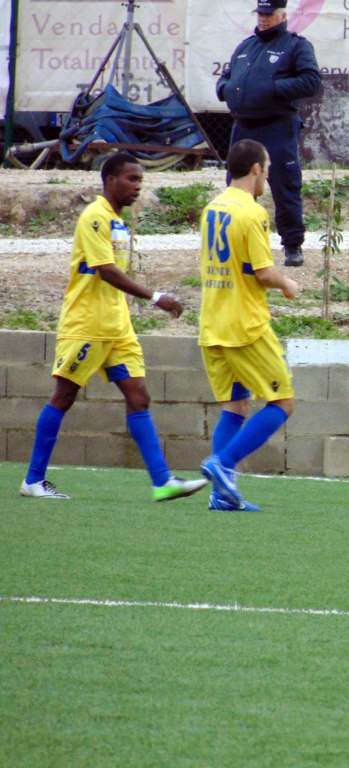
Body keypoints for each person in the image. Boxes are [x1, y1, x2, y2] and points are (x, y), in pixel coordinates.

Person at [19, 153, 208, 503]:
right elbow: (105, 270)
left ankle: (163, 482)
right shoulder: (95, 216)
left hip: (117, 327)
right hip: (87, 324)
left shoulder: (118, 221)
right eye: (132, 179)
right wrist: (156, 297)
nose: (138, 186)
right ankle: (33, 480)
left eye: (140, 180)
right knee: (64, 396)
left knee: (139, 396)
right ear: (110, 180)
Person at [198, 139, 300, 511]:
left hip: (212, 323)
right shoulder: (252, 212)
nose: (267, 177)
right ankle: (223, 464)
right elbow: (263, 272)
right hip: (245, 326)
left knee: (236, 406)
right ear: (256, 169)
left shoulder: (212, 208)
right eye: (267, 170)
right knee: (283, 402)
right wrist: (287, 283)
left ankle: (221, 495)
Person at [216, 0, 322, 268]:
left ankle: (292, 245)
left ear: (282, 15)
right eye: (260, 14)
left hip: (277, 126)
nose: (263, 19)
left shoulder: (296, 46)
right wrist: (224, 89)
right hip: (243, 127)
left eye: (268, 14)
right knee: (238, 187)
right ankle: (240, 244)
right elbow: (226, 76)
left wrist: (273, 88)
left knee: (285, 185)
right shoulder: (246, 46)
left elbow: (311, 81)